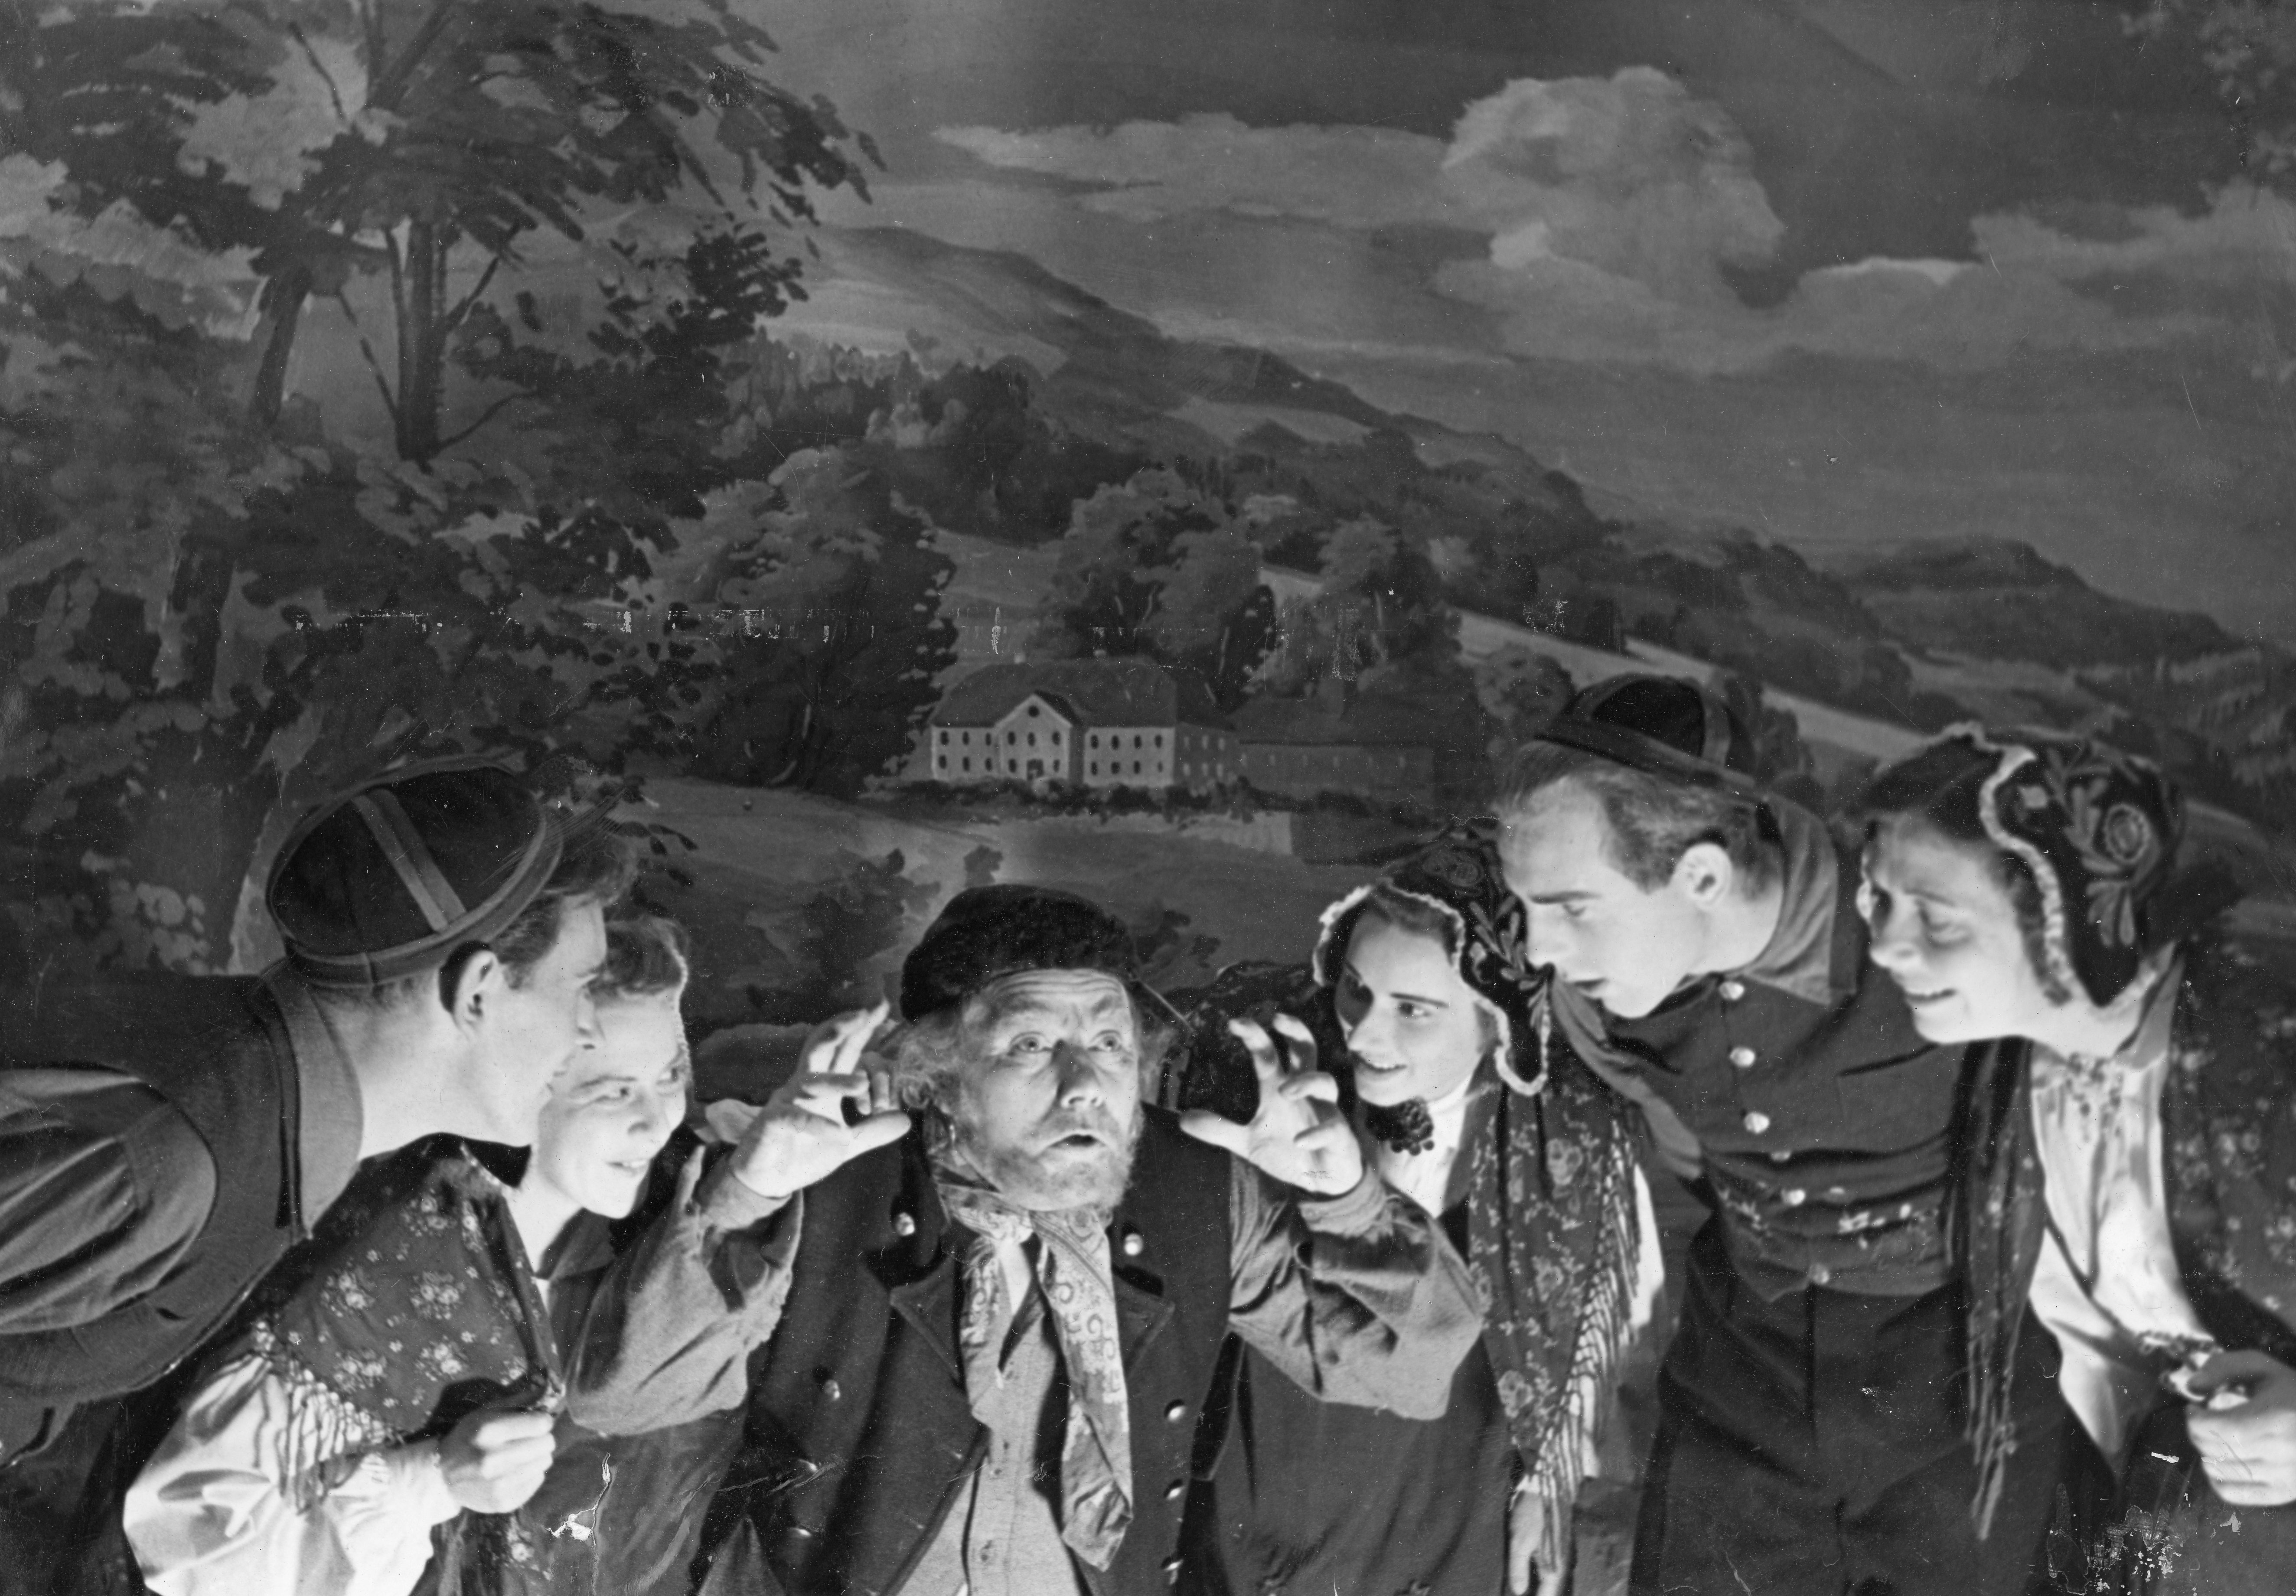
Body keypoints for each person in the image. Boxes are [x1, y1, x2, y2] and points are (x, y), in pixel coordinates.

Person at [605, 882, 1484, 1596]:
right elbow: (629, 1397)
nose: (1084, 1083)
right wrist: (750, 1187)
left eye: (1109, 1041)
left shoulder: (1200, 1190)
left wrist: (1347, 1198)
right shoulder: (829, 1169)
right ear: (939, 1072)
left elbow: (1411, 1370)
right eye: (1030, 1042)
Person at [1493, 675, 2082, 1596]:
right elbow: (1670, 1131)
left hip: (1956, 1390)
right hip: (1741, 1373)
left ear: (1702, 875)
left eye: (1570, 908)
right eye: (1527, 908)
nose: (1537, 949)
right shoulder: (1594, 998)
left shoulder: (1928, 935)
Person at [0, 756, 633, 1593]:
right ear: (478, 991)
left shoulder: (270, 1109)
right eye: (581, 988)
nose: (589, 1031)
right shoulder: (173, 1161)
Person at [122, 914, 784, 1596]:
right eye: (612, 1090)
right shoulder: (392, 1267)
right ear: (528, 1085)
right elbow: (191, 1551)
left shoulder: (655, 1206)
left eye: (670, 1075)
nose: (657, 1120)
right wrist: (431, 1478)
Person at [1856, 725, 2291, 1593]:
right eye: (1878, 900)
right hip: (2131, 1507)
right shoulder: (2010, 1060)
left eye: (1935, 915)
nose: (1884, 944)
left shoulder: (2262, 1043)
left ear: (2064, 913)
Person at [1177, 822, 1661, 1596]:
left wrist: (1549, 1484)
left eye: (1414, 1010)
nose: (1365, 1031)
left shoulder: (1573, 1142)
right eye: (1355, 989)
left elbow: (1610, 1345)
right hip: (1285, 1462)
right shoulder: (1279, 1086)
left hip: (1452, 1484)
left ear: (1495, 1019)